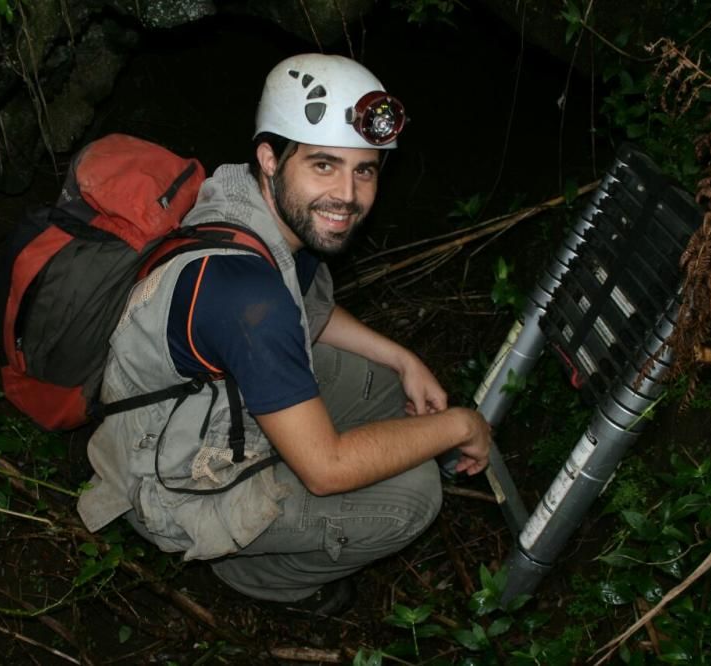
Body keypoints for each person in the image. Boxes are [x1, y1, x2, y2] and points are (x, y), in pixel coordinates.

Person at [77, 53, 491, 614]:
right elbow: (327, 471)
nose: (347, 196)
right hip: (167, 479)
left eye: (364, 169)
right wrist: (461, 424)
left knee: (383, 383)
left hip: (205, 401)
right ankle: (263, 579)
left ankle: (297, 453)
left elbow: (311, 314)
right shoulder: (249, 298)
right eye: (324, 165)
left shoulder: (254, 207)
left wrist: (403, 358)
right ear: (270, 157)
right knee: (415, 495)